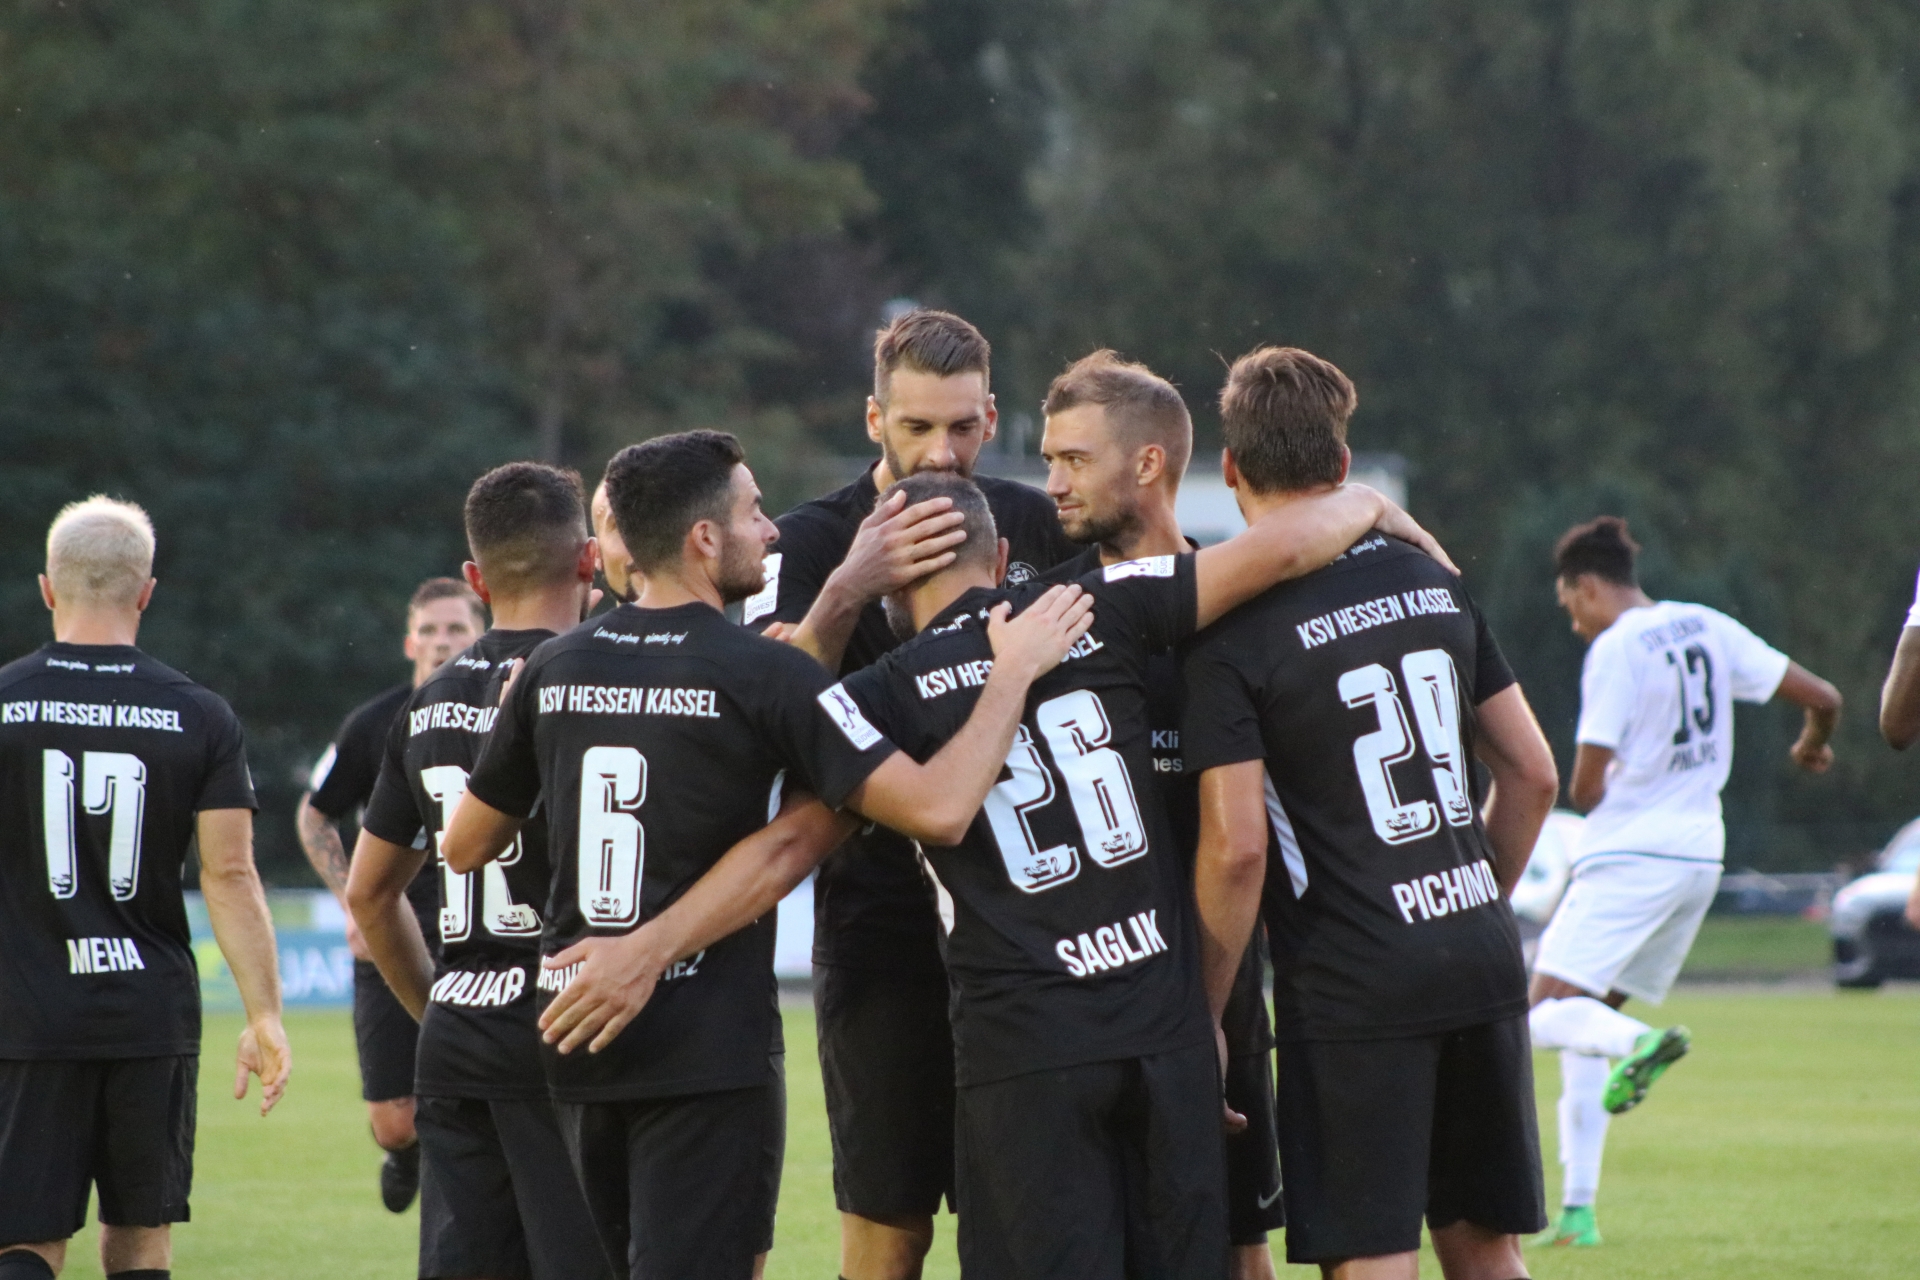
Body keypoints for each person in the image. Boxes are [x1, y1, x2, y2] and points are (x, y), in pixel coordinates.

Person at [551, 454, 1452, 1279]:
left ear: (894, 586)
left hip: (1027, 1051)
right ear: (1006, 555)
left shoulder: (881, 694)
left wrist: (648, 947)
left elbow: (786, 847)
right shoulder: (1096, 605)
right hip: (1165, 1035)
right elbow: (1283, 547)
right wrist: (1372, 502)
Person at [439, 430, 1095, 1280]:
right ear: (704, 538)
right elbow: (935, 809)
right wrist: (1010, 675)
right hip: (703, 1048)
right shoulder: (766, 675)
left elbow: (466, 845)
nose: (773, 530)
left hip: (577, 1034)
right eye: (753, 513)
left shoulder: (552, 667)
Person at [1183, 347, 1560, 1280]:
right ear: (1344, 465)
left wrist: (1205, 1012)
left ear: (1229, 469)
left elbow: (1238, 850)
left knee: (1371, 1259)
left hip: (1355, 980)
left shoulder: (1228, 629)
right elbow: (1532, 774)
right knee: (1488, 1252)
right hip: (1478, 949)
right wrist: (1468, 897)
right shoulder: (1431, 575)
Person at [743, 308, 1076, 1280]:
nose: (941, 451)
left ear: (993, 418)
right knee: (889, 1229)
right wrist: (849, 588)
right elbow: (760, 722)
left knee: (1022, 1225)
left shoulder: (1034, 525)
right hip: (880, 923)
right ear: (873, 419)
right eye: (917, 426)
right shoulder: (808, 541)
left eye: (963, 427)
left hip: (1028, 928)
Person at [1036, 350, 1285, 1278]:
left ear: (1147, 463)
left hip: (1219, 980)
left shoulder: (1238, 607)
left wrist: (1210, 1010)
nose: (1053, 484)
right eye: (1051, 460)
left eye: (1074, 460)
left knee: (1238, 1247)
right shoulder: (1045, 618)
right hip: (1082, 1000)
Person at [1527, 515, 1841, 1247]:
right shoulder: (1706, 624)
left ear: (1587, 587)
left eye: (1569, 605)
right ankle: (1578, 1212)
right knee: (1585, 1022)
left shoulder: (1615, 648)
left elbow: (1585, 787)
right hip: (1699, 856)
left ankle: (1642, 1044)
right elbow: (1824, 698)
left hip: (1629, 854)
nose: (1573, 623)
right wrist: (1811, 746)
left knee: (1532, 1014)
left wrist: (1617, 783)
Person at [0, 496, 290, 1280]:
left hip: (25, 1014)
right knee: (140, 1236)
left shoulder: (6, 701)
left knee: (24, 1240)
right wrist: (264, 1013)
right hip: (148, 1015)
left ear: (47, 588)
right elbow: (230, 874)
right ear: (147, 592)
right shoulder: (199, 714)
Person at [345, 464, 614, 1280]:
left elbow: (369, 893)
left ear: (476, 578)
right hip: (572, 1028)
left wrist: (439, 1006)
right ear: (589, 560)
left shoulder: (425, 703)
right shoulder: (602, 678)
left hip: (460, 1035)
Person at [297, 576, 485, 1211]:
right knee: (394, 1122)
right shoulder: (374, 723)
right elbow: (315, 813)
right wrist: (353, 900)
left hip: (475, 928)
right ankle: (404, 1153)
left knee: (478, 1098)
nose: (441, 641)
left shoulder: (509, 713)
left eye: (456, 628)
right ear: (409, 643)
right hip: (391, 925)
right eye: (429, 630)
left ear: (480, 635)